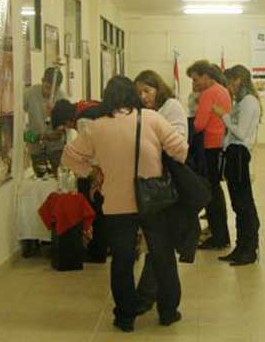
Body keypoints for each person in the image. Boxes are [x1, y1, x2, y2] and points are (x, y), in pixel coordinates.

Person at [62, 76, 188, 332]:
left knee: (122, 261)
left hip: (116, 204)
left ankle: (125, 317)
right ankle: (167, 311)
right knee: (162, 257)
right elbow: (181, 150)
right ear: (133, 95)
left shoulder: (96, 127)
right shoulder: (151, 119)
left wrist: (92, 171)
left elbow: (69, 158)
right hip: (153, 201)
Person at [133, 69, 192, 314]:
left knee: (161, 247)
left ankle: (150, 300)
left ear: (158, 87)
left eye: (147, 90)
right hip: (151, 183)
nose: (144, 96)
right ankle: (160, 303)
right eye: (139, 93)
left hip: (169, 183)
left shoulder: (171, 107)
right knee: (160, 247)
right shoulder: (145, 112)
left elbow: (179, 143)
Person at [213, 65, 261, 265]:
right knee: (237, 203)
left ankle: (249, 249)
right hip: (233, 154)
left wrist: (222, 115)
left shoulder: (249, 102)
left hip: (240, 154)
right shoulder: (242, 102)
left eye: (230, 83)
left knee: (243, 203)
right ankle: (241, 246)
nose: (228, 88)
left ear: (239, 80)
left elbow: (240, 133)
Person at [51, 99, 108, 262]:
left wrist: (88, 172)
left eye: (66, 126)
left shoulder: (83, 120)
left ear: (68, 120)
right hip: (106, 165)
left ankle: (97, 252)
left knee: (95, 211)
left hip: (99, 170)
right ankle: (99, 250)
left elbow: (90, 151)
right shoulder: (86, 106)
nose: (69, 129)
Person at [188, 60, 232, 250]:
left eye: (196, 79)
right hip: (220, 143)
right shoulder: (222, 90)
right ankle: (220, 233)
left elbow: (199, 124)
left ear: (206, 76)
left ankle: (219, 235)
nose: (195, 83)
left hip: (209, 145)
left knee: (211, 192)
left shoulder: (207, 93)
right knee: (215, 190)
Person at [23, 68, 66, 177]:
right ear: (42, 80)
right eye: (47, 87)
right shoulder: (29, 94)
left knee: (56, 181)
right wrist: (33, 137)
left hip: (56, 148)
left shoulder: (62, 98)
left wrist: (59, 132)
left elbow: (65, 128)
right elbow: (17, 123)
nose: (49, 93)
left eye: (54, 90)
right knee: (41, 180)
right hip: (36, 147)